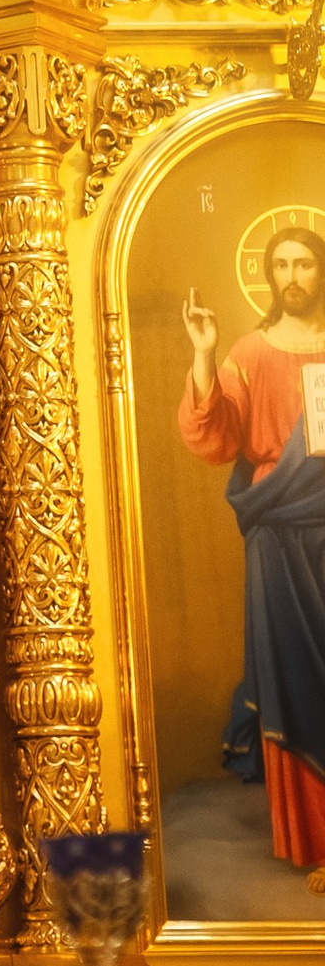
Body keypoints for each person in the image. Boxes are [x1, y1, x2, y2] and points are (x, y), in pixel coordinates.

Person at [180, 225, 325, 881]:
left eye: (306, 263)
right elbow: (215, 435)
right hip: (276, 527)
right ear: (269, 274)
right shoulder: (247, 351)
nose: (294, 274)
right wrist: (205, 354)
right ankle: (319, 842)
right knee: (297, 676)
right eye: (283, 263)